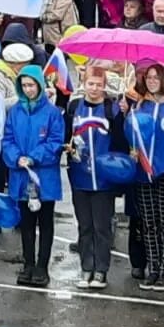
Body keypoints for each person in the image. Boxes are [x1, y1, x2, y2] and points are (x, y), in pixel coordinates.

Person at [3, 65, 65, 287]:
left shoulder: (52, 113)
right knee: (26, 223)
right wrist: (16, 157)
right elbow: (7, 139)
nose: (28, 89)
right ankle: (28, 263)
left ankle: (42, 266)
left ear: (40, 85)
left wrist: (33, 157)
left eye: (32, 85)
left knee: (45, 221)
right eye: (25, 85)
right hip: (21, 176)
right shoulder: (15, 112)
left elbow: (55, 143)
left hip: (43, 177)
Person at [124, 62, 164, 292]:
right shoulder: (139, 104)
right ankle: (154, 267)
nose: (151, 81)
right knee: (148, 224)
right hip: (143, 173)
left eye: (156, 77)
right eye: (148, 77)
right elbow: (132, 135)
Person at [65, 65, 125, 289]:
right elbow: (65, 136)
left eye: (99, 85)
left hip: (104, 179)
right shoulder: (73, 107)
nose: (94, 88)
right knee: (84, 226)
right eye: (90, 84)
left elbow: (120, 142)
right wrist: (68, 149)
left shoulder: (112, 109)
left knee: (102, 227)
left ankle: (101, 270)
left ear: (105, 86)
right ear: (83, 84)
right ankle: (86, 267)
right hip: (79, 177)